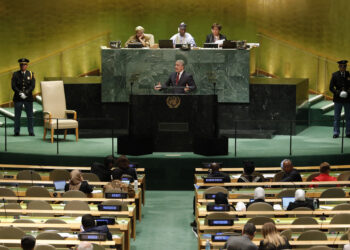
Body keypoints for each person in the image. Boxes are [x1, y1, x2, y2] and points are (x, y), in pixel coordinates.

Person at [11, 58, 35, 136]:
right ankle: (16, 131)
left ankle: (31, 131)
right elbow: (13, 86)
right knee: (17, 116)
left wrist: (26, 93)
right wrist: (20, 93)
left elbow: (32, 86)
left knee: (30, 116)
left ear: (27, 65)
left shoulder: (31, 74)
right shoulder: (15, 74)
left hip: (28, 98)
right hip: (18, 98)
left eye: (24, 64)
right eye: (21, 64)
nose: (23, 66)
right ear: (19, 65)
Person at [329, 60, 350, 138]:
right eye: (341, 66)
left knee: (348, 117)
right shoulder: (335, 75)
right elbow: (331, 87)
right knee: (337, 117)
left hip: (347, 99)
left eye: (344, 66)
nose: (343, 68)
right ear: (339, 67)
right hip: (338, 99)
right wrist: (338, 92)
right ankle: (336, 132)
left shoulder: (349, 74)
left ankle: (348, 132)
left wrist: (348, 92)